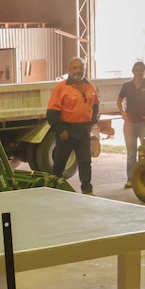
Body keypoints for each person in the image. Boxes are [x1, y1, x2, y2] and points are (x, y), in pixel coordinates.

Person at [47, 57, 100, 194]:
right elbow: (51, 114)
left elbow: (95, 106)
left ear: (85, 70)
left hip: (83, 131)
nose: (78, 70)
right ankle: (54, 189)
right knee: (59, 163)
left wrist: (92, 124)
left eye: (81, 68)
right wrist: (61, 130)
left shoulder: (90, 86)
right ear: (69, 70)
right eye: (75, 68)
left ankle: (87, 190)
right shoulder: (61, 88)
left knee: (85, 162)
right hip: (66, 132)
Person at [117, 61, 145, 188]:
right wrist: (123, 112)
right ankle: (131, 179)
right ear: (133, 71)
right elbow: (119, 100)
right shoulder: (127, 86)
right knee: (131, 153)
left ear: (144, 72)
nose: (138, 73)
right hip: (129, 124)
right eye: (136, 70)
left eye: (141, 70)